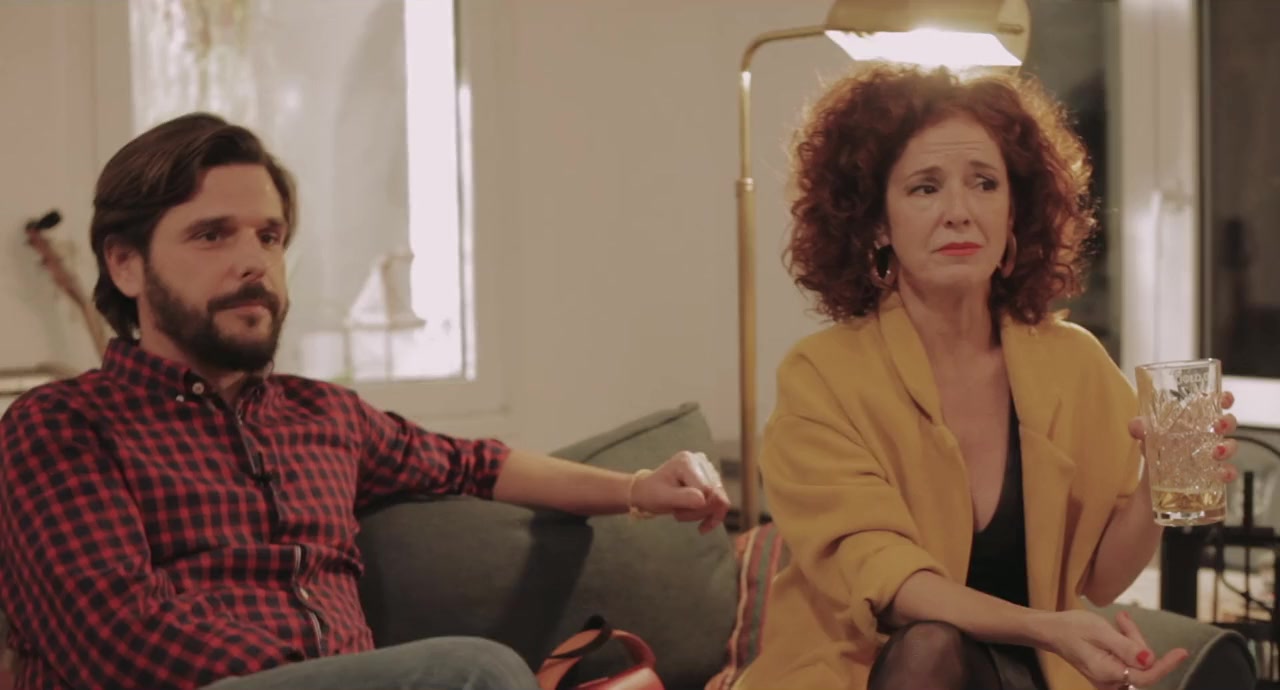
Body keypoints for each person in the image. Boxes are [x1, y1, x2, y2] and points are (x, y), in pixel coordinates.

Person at [0, 113, 731, 690]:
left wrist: (639, 489)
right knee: (475, 674)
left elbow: (476, 466)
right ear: (125, 264)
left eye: (269, 236)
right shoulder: (60, 426)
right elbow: (114, 637)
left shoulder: (323, 417)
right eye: (212, 235)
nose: (254, 261)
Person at [732, 64, 1240, 690]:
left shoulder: (1075, 363)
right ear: (878, 223)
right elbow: (890, 585)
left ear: (1014, 214)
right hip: (863, 672)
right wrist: (1047, 628)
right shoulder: (820, 376)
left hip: (1027, 675)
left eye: (984, 184)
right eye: (925, 188)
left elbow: (1103, 579)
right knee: (929, 646)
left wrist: (1154, 490)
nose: (959, 212)